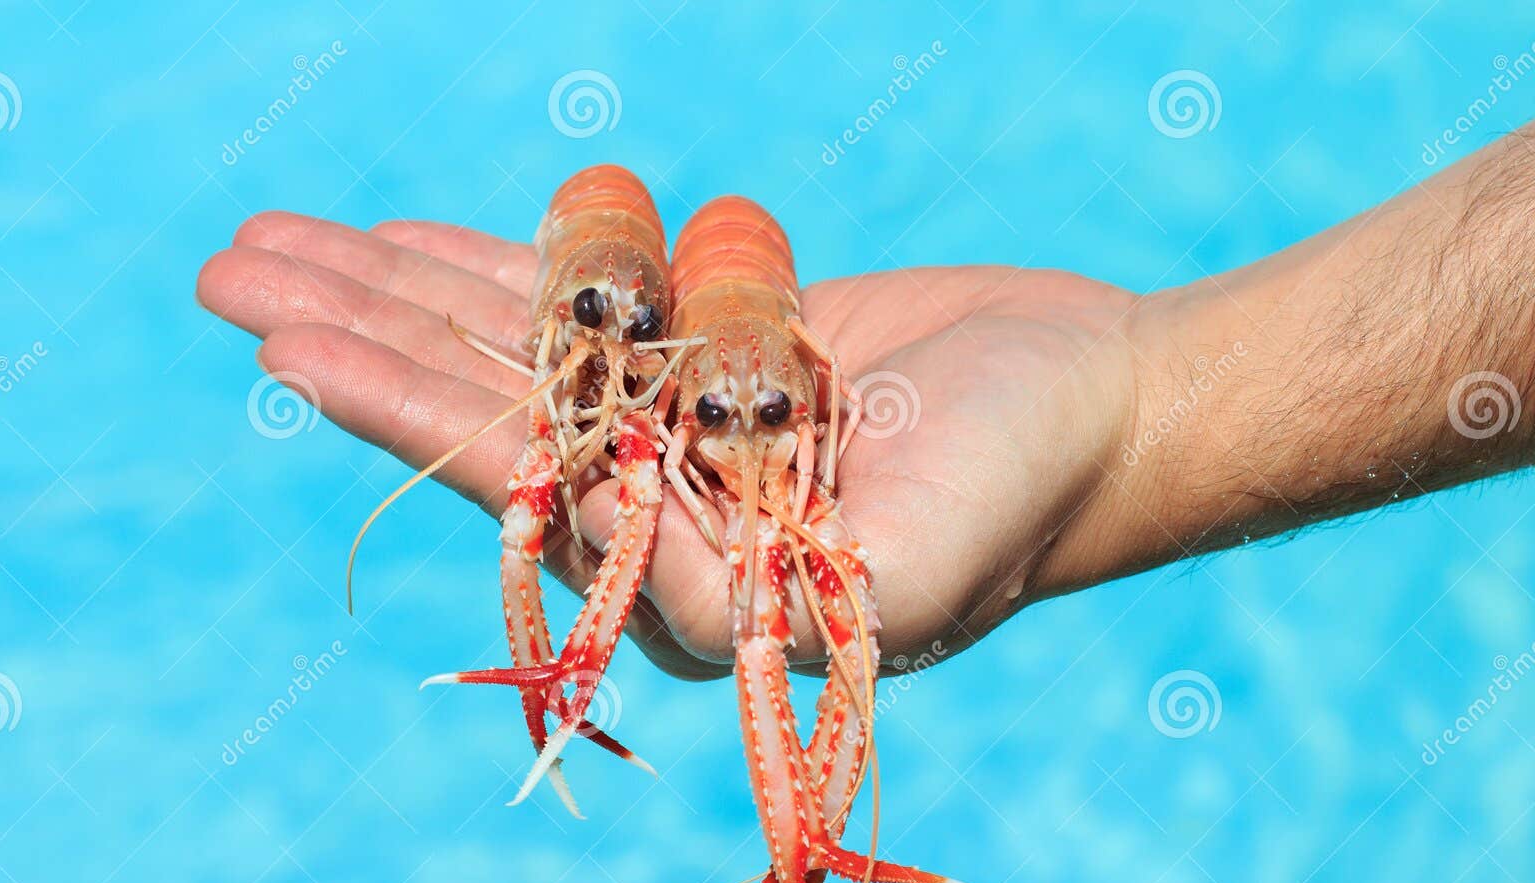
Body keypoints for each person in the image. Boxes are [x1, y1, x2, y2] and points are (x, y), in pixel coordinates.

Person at [196, 125, 1534, 681]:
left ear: (814, 389)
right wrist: (1135, 392)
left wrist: (1136, 403)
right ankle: (562, 682)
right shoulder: (618, 336)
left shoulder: (772, 384)